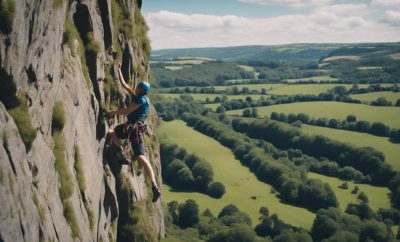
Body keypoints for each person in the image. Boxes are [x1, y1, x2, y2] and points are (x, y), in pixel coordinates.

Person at [107, 61, 161, 202]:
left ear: (141, 90)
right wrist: (119, 69)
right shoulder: (144, 99)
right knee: (141, 157)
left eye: (138, 87)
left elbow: (127, 110)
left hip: (131, 128)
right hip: (138, 130)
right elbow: (125, 85)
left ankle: (122, 151)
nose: (135, 88)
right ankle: (154, 185)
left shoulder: (139, 101)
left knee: (111, 132)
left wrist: (113, 112)